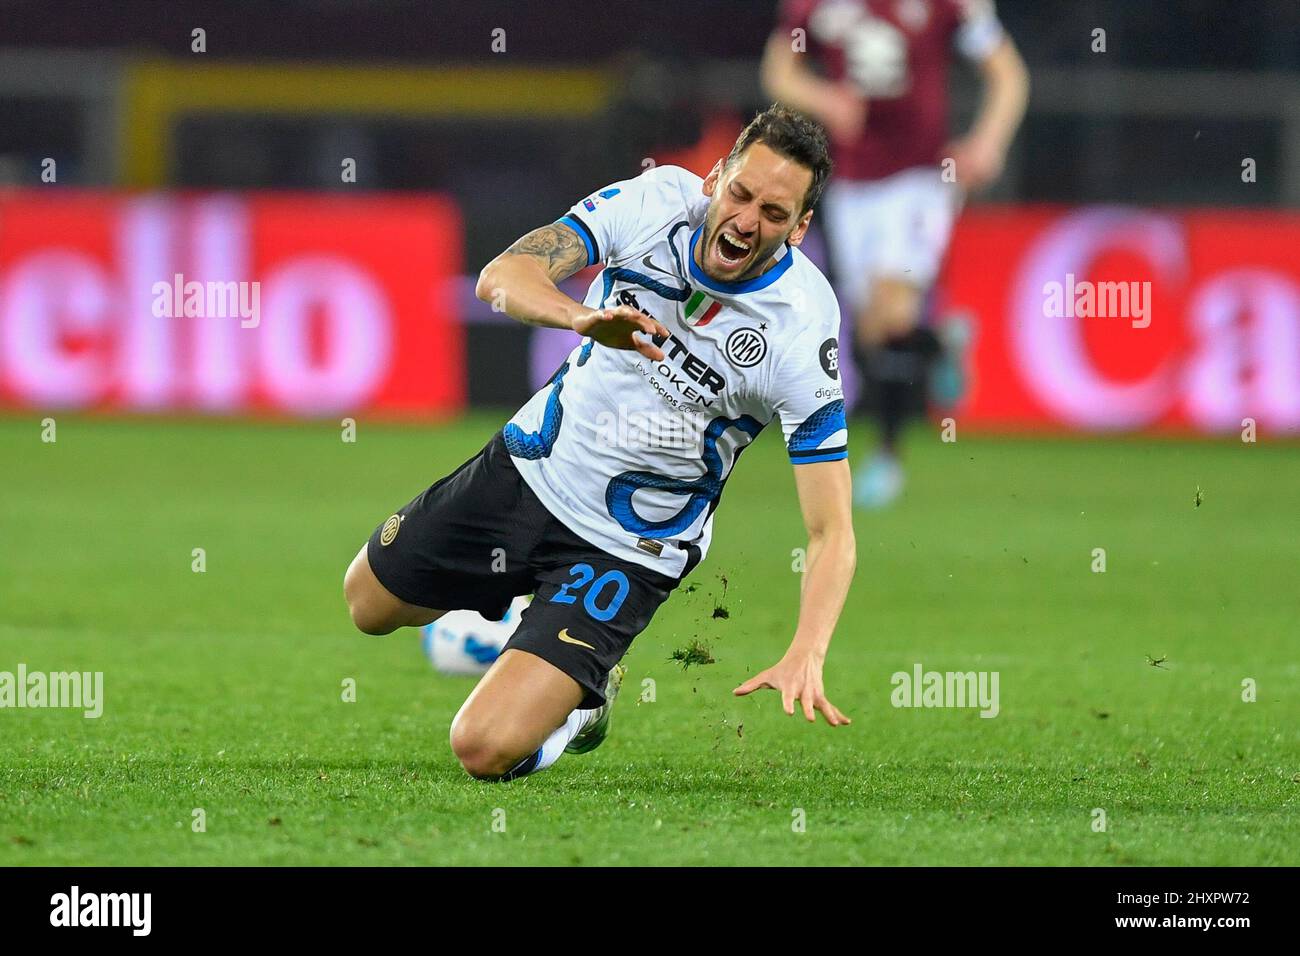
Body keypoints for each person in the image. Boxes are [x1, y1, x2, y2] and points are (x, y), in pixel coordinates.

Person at [344, 105, 856, 782]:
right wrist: (584, 317)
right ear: (715, 177)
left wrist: (808, 651)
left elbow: (831, 529)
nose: (746, 220)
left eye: (773, 211)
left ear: (799, 227)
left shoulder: (799, 328)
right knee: (369, 604)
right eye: (740, 193)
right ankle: (522, 625)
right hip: (532, 470)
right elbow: (503, 275)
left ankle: (580, 701)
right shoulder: (652, 205)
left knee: (483, 749)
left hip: (625, 548)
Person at [762, 0, 1028, 507]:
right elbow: (778, 71)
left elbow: (1008, 74)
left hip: (921, 178)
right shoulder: (814, 6)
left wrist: (988, 142)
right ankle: (939, 346)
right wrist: (825, 98)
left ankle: (886, 455)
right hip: (852, 183)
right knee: (871, 333)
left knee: (890, 308)